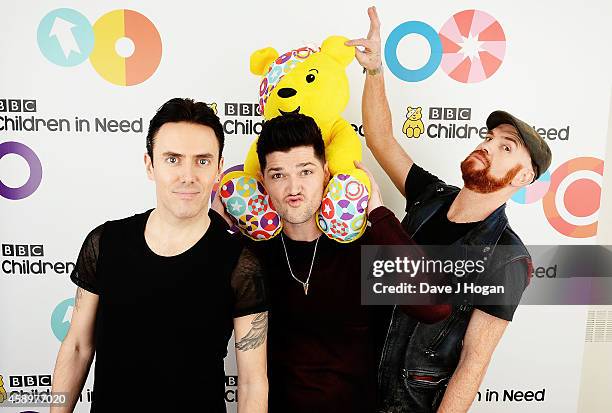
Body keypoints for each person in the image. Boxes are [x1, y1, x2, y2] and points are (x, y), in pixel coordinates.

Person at [346, 7, 552, 412]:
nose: (487, 146)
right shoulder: (431, 197)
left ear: (523, 178)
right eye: (490, 137)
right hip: (353, 389)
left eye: (505, 147)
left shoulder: (508, 258)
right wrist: (374, 71)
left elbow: (473, 366)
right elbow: (381, 140)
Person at [214, 113, 451, 412]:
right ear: (262, 181)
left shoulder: (362, 249)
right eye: (278, 175)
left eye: (305, 172)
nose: (293, 188)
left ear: (326, 173)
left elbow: (435, 306)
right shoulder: (251, 255)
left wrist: (379, 215)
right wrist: (213, 228)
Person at [50, 98, 268, 413]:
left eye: (202, 161)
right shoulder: (105, 242)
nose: (188, 175)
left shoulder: (241, 264)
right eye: (172, 159)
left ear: (219, 168)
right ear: (150, 165)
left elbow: (251, 383)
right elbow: (77, 347)